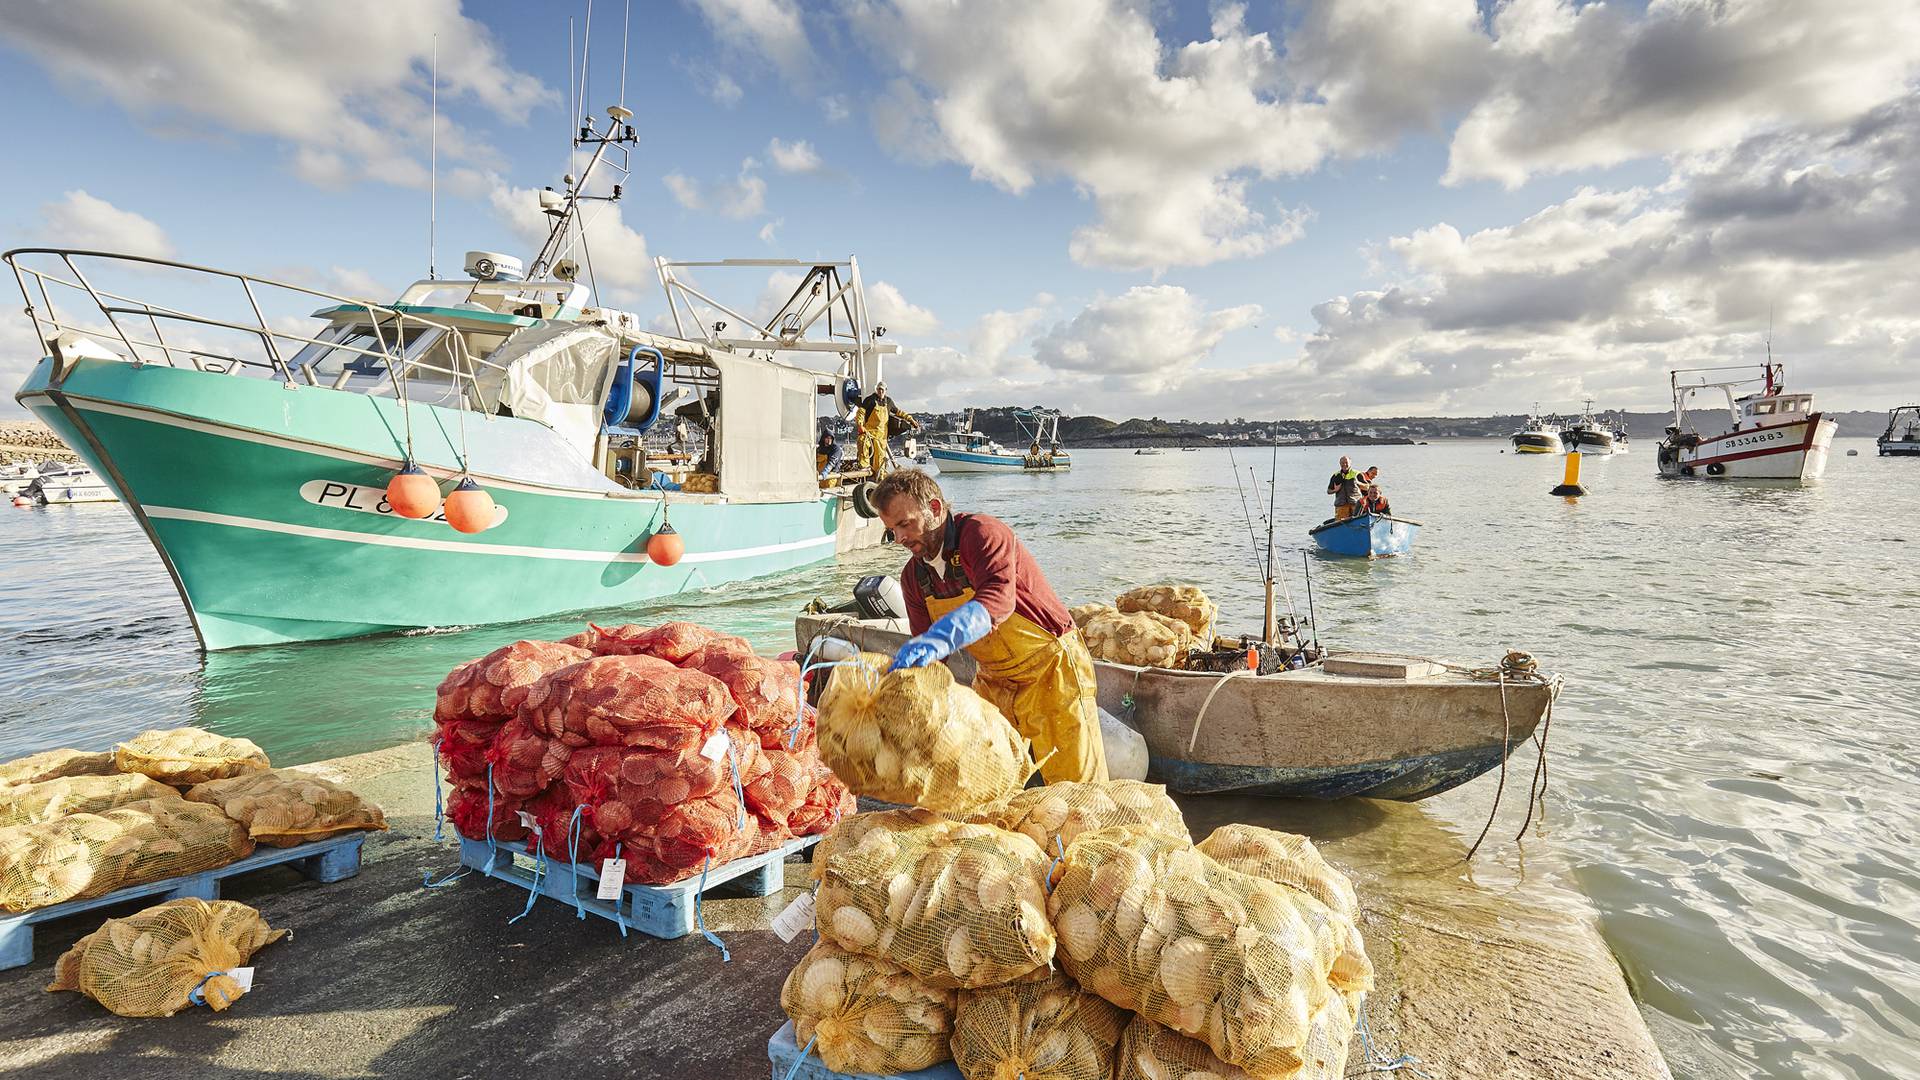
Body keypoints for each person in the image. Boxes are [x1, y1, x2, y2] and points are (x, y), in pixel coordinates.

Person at [874, 469, 1108, 785]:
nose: (900, 538)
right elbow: (930, 659)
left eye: (905, 524)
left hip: (1050, 669)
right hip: (994, 678)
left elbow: (998, 598)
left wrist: (941, 638)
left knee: (1075, 787)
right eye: (892, 530)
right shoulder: (914, 579)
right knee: (988, 779)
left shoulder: (982, 534)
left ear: (935, 508)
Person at [1326, 456, 1362, 520]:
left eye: (1346, 462)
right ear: (1340, 463)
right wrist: (1335, 490)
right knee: (1340, 523)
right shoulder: (1336, 475)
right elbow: (1328, 491)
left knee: (1358, 520)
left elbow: (1367, 487)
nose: (1344, 464)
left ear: (1350, 463)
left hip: (1355, 504)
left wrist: (1358, 483)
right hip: (1341, 505)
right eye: (1342, 463)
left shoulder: (1357, 474)